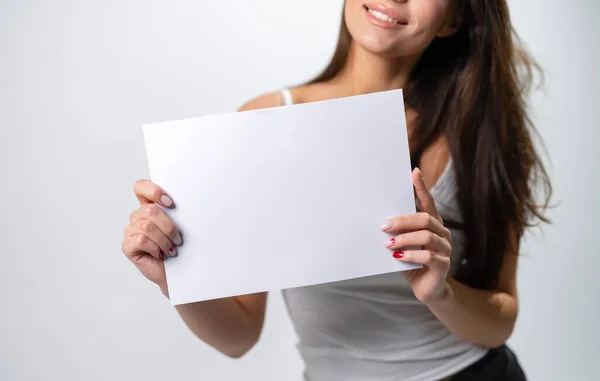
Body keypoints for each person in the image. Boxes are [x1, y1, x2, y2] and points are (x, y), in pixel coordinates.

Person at [121, 1, 552, 380]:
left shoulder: (481, 136)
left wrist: (441, 291)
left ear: (454, 19)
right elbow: (239, 338)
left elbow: (500, 323)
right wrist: (175, 278)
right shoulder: (268, 120)